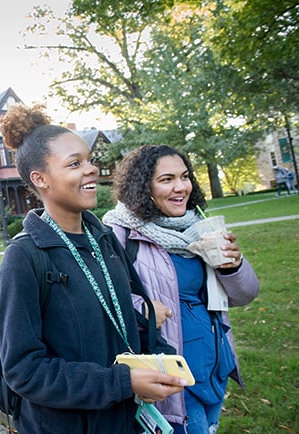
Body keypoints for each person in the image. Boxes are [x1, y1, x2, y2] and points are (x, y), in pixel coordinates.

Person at [0, 105, 187, 433]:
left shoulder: (105, 240)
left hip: (125, 421)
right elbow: (24, 371)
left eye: (89, 159)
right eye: (75, 163)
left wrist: (160, 357)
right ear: (41, 179)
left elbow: (122, 321)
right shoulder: (23, 258)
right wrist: (121, 383)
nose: (92, 169)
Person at [103, 145, 260, 434]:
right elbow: (100, 297)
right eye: (166, 179)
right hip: (171, 372)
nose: (180, 187)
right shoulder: (119, 232)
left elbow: (245, 294)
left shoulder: (198, 227)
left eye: (184, 177)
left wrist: (232, 267)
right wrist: (142, 309)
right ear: (143, 186)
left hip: (214, 364)